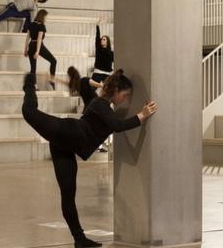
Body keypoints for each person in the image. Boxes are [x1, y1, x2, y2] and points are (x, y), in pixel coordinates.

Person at [21, 70, 157, 248]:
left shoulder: (103, 106)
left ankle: (80, 240)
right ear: (116, 90)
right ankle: (29, 84)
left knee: (68, 195)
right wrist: (142, 115)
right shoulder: (100, 103)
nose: (125, 99)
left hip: (65, 146)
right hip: (66, 131)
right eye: (125, 95)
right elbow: (117, 126)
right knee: (29, 111)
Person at [24, 9, 57, 90]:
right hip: (38, 46)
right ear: (43, 16)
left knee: (33, 67)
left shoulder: (31, 24)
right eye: (46, 17)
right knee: (53, 61)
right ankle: (52, 79)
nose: (46, 19)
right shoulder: (41, 26)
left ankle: (34, 86)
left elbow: (27, 37)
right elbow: (39, 39)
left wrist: (25, 49)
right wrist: (38, 51)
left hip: (31, 45)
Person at [91, 19, 114, 84]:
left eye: (104, 39)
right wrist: (97, 25)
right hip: (98, 72)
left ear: (107, 42)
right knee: (91, 89)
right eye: (101, 39)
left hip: (107, 74)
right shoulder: (99, 48)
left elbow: (113, 61)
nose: (102, 40)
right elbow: (97, 37)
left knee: (109, 91)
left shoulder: (111, 53)